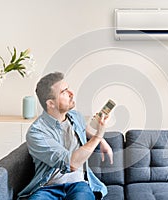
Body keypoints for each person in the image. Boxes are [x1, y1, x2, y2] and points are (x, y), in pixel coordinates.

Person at [18, 72, 113, 200]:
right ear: (51, 103)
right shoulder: (37, 132)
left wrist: (101, 140)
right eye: (64, 92)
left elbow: (82, 130)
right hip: (47, 187)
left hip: (78, 184)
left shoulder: (75, 117)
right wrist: (98, 136)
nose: (71, 93)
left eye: (68, 88)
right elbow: (71, 164)